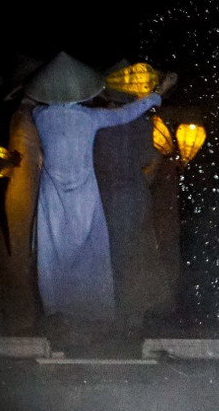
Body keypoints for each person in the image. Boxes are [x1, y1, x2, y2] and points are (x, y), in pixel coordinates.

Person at [25, 52, 177, 329]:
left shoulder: (41, 116)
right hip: (91, 194)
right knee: (95, 254)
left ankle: (60, 312)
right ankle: (97, 315)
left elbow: (32, 103)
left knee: (55, 254)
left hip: (54, 197)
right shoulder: (91, 118)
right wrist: (157, 95)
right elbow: (127, 115)